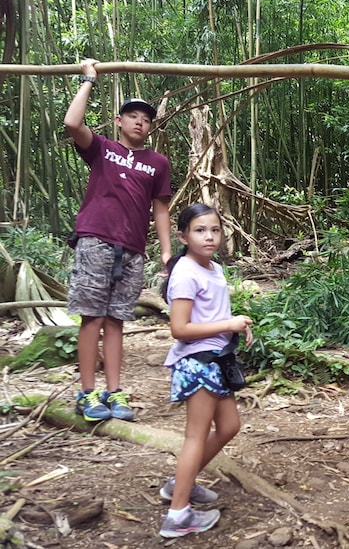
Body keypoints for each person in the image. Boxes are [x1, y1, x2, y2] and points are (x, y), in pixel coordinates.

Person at [64, 58, 173, 422]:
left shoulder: (158, 163)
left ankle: (113, 391)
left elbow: (160, 209)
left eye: (146, 118)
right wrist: (89, 80)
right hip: (95, 240)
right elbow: (71, 123)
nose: (140, 121)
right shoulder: (103, 149)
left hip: (132, 249)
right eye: (133, 116)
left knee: (116, 321)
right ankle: (86, 392)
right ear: (119, 121)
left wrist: (167, 253)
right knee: (91, 319)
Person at [158, 203, 253, 538]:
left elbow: (209, 316)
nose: (209, 236)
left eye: (214, 229)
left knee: (229, 425)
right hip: (197, 364)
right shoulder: (184, 271)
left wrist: (233, 329)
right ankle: (178, 516)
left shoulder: (213, 268)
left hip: (216, 360)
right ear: (184, 236)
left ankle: (178, 485)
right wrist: (228, 323)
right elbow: (179, 328)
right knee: (195, 437)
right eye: (200, 230)